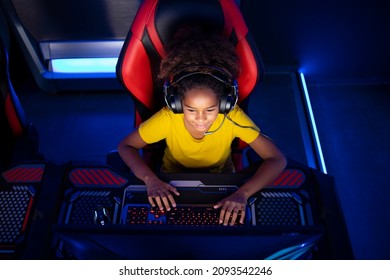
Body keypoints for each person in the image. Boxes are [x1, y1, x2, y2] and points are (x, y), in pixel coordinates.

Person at [118, 27, 287, 226]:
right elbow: (125, 146)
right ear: (178, 104)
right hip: (171, 182)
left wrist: (243, 194)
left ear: (224, 104)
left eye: (210, 109)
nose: (200, 119)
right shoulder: (169, 117)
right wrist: (150, 179)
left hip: (223, 184)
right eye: (191, 110)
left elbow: (277, 159)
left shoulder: (232, 117)